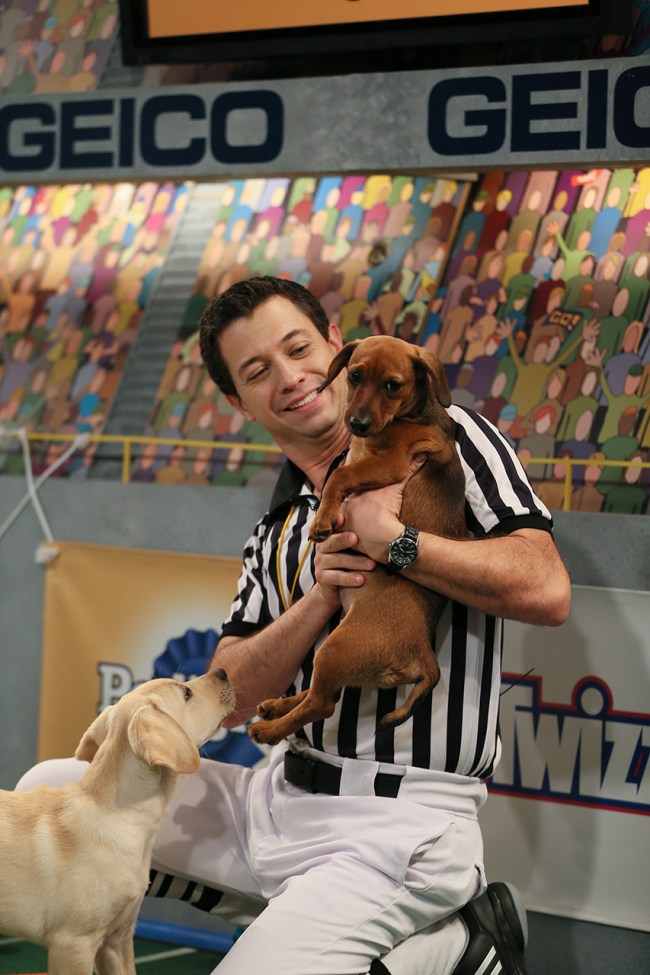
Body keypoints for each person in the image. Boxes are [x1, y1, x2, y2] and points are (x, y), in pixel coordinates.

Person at [17, 276, 571, 975]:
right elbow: (231, 698)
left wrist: (397, 543)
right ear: (236, 401)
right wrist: (318, 597)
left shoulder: (448, 440)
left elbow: (548, 588)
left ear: (337, 348)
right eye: (258, 370)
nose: (290, 376)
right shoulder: (274, 530)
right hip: (275, 799)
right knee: (50, 792)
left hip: (397, 820)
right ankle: (322, 933)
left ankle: (456, 942)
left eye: (299, 347)